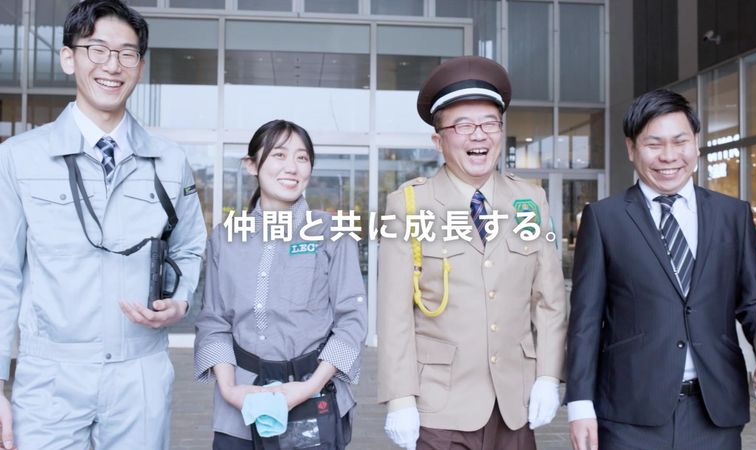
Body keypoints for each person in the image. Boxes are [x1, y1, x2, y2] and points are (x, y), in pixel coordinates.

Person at [0, 1, 206, 449]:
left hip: (140, 374)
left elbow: (190, 247)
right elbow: (3, 275)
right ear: (68, 57)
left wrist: (181, 301)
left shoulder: (169, 162)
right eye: (97, 49)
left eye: (127, 53)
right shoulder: (19, 158)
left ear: (140, 66)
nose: (112, 66)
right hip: (50, 378)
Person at [566, 89, 756, 450]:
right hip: (629, 413)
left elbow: (755, 300)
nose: (669, 156)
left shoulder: (732, 215)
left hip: (715, 411)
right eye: (654, 144)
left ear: (696, 144)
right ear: (631, 149)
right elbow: (586, 320)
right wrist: (580, 404)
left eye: (680, 141)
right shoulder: (604, 218)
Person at [377, 56, 567, 450]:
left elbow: (549, 301)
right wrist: (400, 399)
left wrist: (549, 376)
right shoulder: (410, 205)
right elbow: (395, 314)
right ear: (438, 141)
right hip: (440, 406)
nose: (478, 136)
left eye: (489, 124)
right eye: (463, 125)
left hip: (515, 404)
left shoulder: (529, 201)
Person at [194, 120, 367, 450]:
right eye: (279, 155)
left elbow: (351, 321)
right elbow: (214, 321)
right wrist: (230, 390)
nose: (292, 167)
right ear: (251, 165)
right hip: (241, 403)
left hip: (314, 398)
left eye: (302, 158)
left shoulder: (332, 232)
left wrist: (308, 387)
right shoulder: (225, 238)